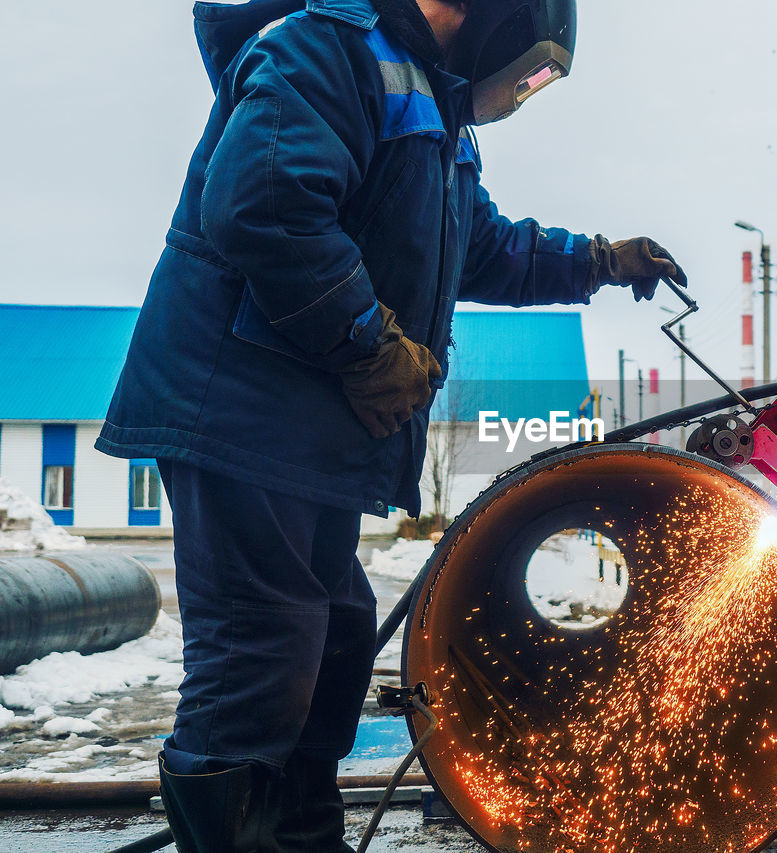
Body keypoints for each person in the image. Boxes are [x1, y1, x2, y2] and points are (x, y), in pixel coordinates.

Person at [96, 0, 685, 849]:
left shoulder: (431, 106)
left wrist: (597, 259)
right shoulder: (324, 49)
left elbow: (478, 247)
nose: (521, 89)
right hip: (243, 414)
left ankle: (301, 839)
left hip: (307, 440)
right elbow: (266, 204)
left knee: (331, 652)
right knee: (260, 665)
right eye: (531, 70)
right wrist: (368, 343)